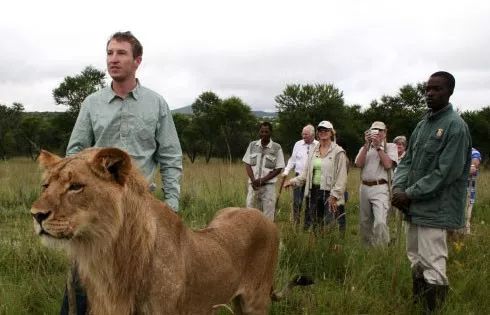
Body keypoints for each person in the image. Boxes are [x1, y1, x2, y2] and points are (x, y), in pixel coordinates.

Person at [61, 31, 183, 315]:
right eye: (109, 53)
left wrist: (173, 203)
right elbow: (75, 151)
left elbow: (170, 155)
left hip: (142, 207)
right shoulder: (91, 104)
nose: (113, 59)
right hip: (99, 208)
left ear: (137, 61)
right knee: (82, 285)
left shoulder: (156, 104)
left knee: (141, 282)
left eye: (121, 53)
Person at [392, 71, 471, 312]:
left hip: (436, 209)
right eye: (427, 89)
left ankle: (433, 310)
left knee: (433, 263)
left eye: (436, 89)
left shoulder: (456, 127)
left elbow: (445, 173)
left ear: (449, 92)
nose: (430, 93)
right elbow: (407, 161)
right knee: (415, 259)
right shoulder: (422, 124)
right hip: (413, 207)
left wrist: (410, 193)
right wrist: (397, 188)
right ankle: (419, 307)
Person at [284, 121, 348, 233]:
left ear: (331, 133)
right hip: (313, 191)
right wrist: (293, 181)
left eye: (326, 130)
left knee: (328, 225)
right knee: (315, 225)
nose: (323, 133)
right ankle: (315, 247)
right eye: (320, 130)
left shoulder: (338, 152)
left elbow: (341, 177)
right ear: (317, 133)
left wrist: (335, 195)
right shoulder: (314, 150)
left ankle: (328, 247)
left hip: (329, 193)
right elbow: (306, 173)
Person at [354, 121, 397, 247]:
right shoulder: (365, 148)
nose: (377, 133)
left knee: (380, 221)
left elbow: (388, 165)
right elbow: (358, 164)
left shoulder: (390, 147)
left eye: (380, 130)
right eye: (374, 130)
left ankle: (381, 249)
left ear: (385, 132)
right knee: (364, 222)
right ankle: (367, 249)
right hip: (365, 187)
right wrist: (367, 145)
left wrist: (379, 147)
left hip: (381, 187)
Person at [242, 121, 285, 220]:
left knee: (268, 217)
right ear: (259, 132)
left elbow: (279, 168)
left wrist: (263, 180)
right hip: (253, 186)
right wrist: (253, 180)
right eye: (262, 131)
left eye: (266, 132)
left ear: (271, 133)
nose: (264, 134)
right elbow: (247, 163)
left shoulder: (276, 147)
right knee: (250, 215)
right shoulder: (252, 145)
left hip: (268, 187)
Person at [282, 124, 318, 228]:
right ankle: (295, 224)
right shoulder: (297, 144)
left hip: (311, 178)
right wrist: (286, 171)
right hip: (298, 177)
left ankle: (307, 225)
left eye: (306, 134)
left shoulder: (318, 145)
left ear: (312, 135)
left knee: (309, 203)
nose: (303, 136)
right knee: (297, 202)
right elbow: (292, 160)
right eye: (303, 134)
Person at [462, 147, 482, 234]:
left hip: (468, 192)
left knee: (466, 218)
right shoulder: (454, 149)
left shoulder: (473, 152)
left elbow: (475, 164)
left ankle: (465, 237)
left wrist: (469, 167)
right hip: (454, 194)